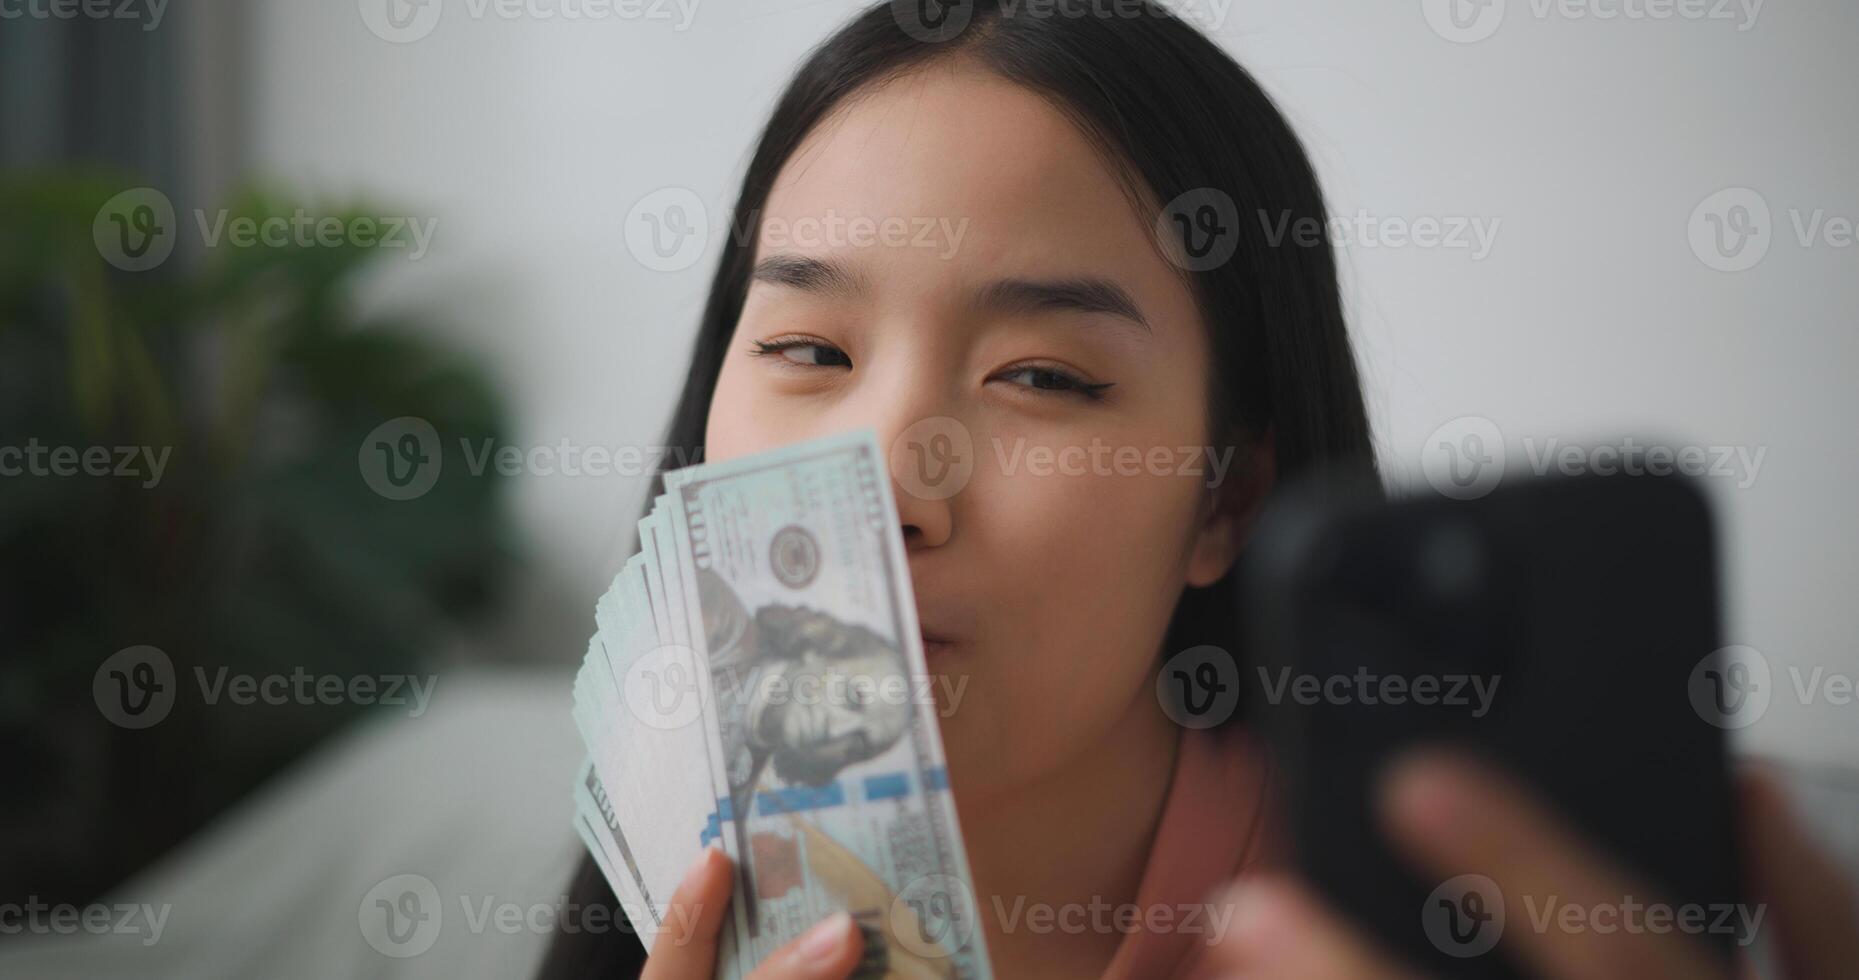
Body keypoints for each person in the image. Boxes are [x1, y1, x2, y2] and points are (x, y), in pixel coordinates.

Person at [539, 2, 1858, 977]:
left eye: (1045, 378)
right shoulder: (663, 882)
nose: (890, 485)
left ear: (1225, 500)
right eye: (809, 352)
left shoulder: (1426, 920)